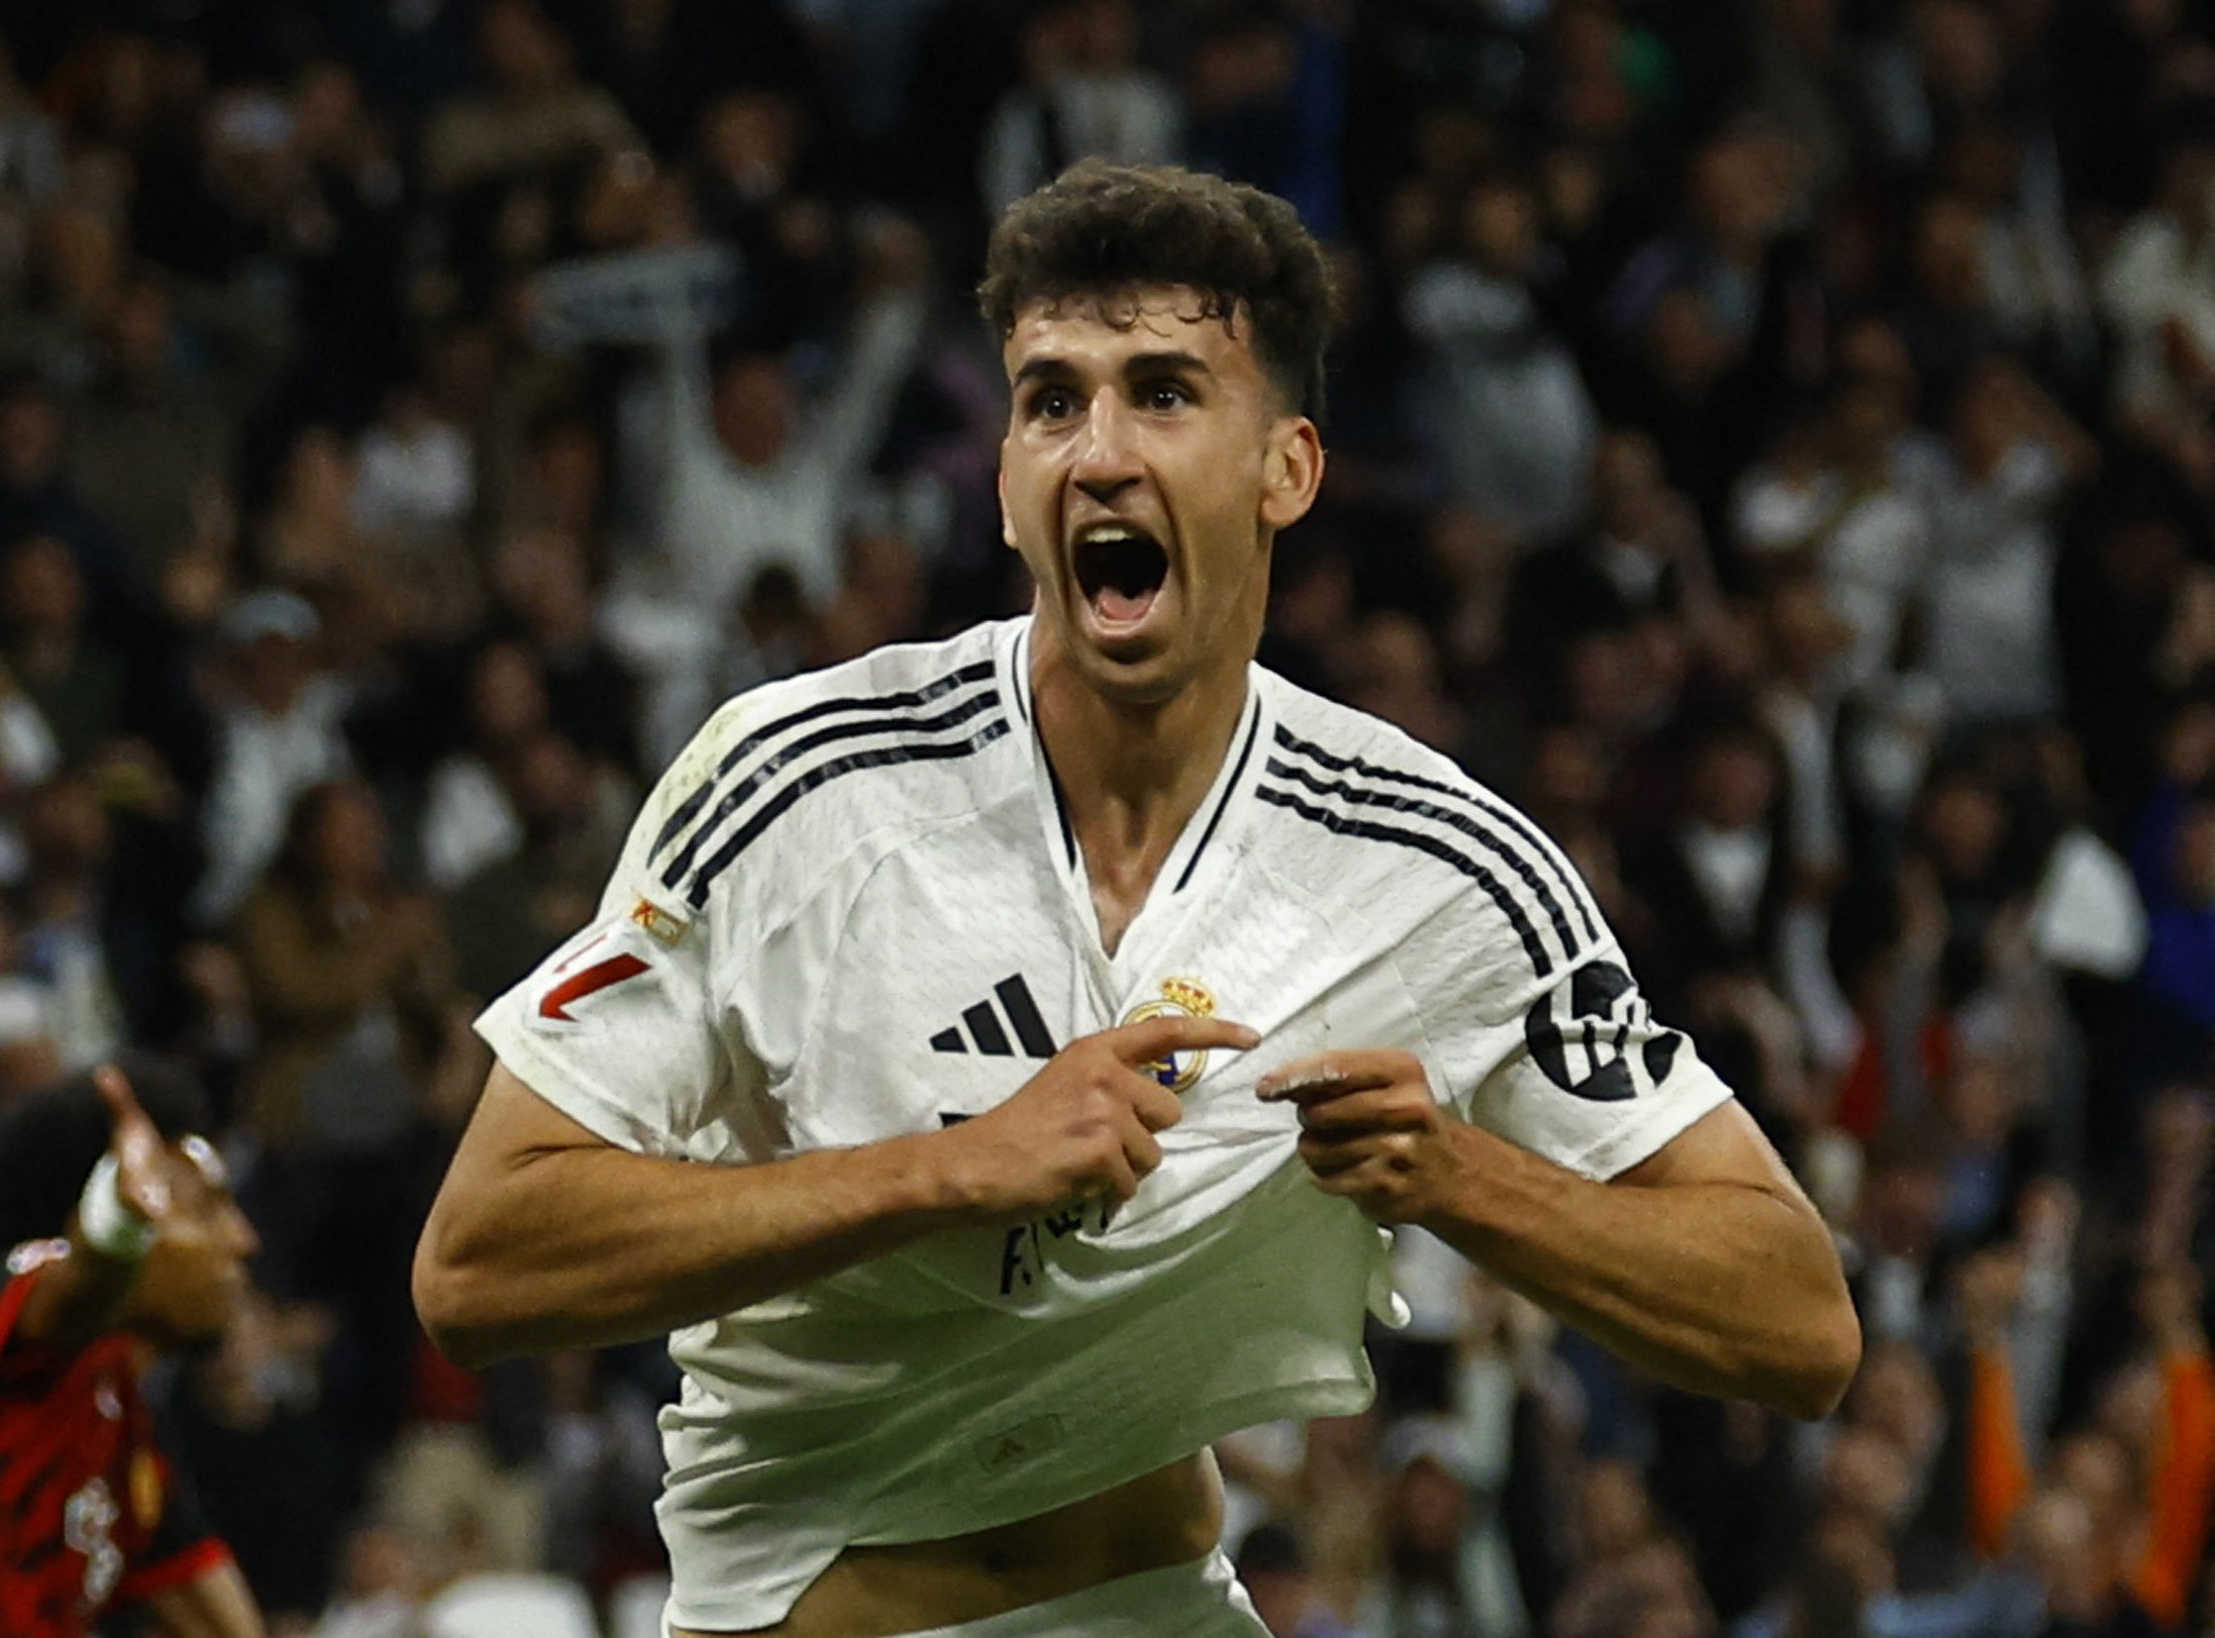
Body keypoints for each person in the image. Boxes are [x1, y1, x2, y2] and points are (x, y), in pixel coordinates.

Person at [414, 160, 1862, 1637]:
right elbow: (478, 1259)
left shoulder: (1430, 863)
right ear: (1001, 483)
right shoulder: (798, 786)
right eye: (1052, 399)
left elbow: (1798, 1317)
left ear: (1287, 469)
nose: (1096, 451)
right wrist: (952, 1169)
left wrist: (1460, 1177)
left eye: (1164, 392)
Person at [0, 1059, 266, 1636]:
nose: (242, 1241)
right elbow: (76, 1286)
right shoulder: (7, 1330)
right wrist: (118, 1222)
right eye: (205, 1210)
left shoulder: (120, 1422)